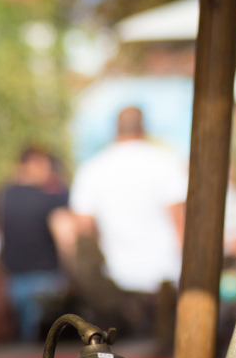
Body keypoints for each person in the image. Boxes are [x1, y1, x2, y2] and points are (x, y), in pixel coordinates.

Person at [69, 106, 188, 336]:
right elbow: (180, 220)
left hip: (113, 281)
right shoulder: (165, 161)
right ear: (143, 127)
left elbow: (83, 229)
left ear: (115, 128)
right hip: (165, 276)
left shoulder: (92, 168)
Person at [0, 146, 73, 341]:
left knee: (18, 344)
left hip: (11, 282)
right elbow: (65, 237)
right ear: (35, 164)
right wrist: (70, 271)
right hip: (48, 281)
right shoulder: (50, 197)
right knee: (47, 345)